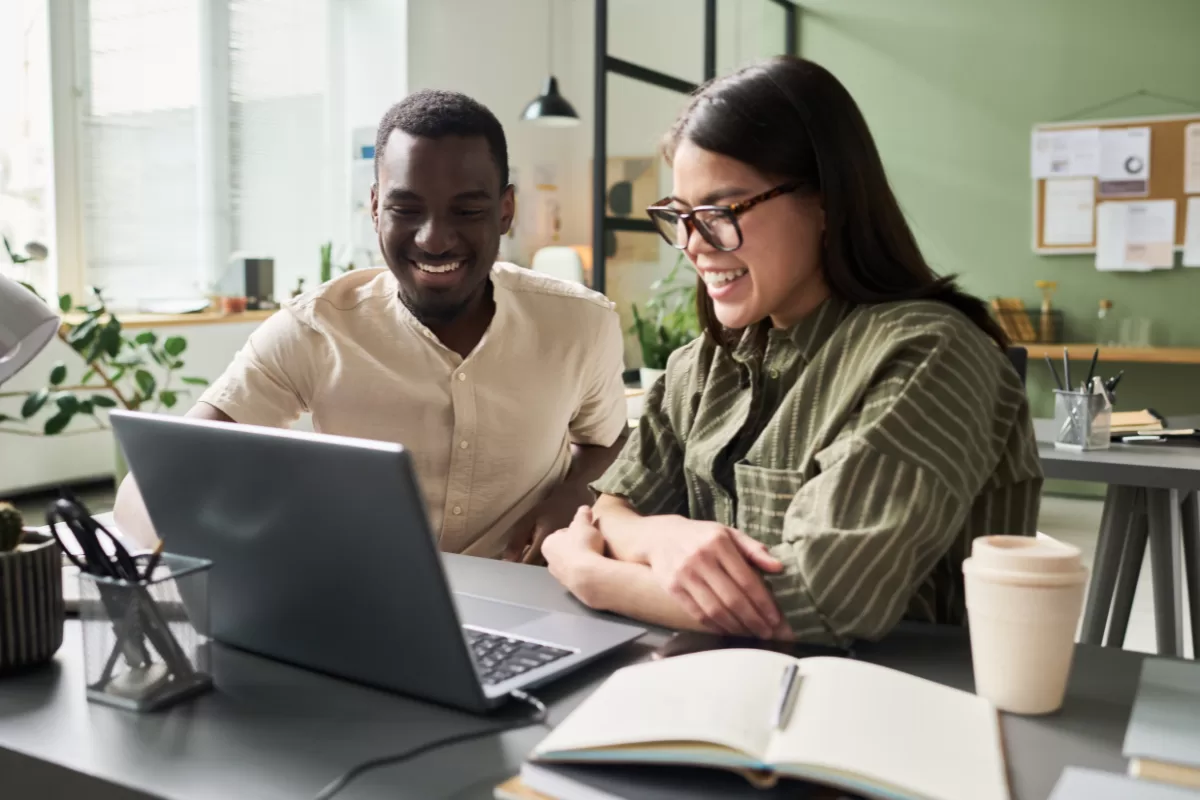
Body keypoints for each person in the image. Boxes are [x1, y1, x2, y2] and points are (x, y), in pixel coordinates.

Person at [541, 57, 1043, 646]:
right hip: (713, 690)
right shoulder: (701, 363)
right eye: (681, 217)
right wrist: (660, 537)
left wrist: (590, 575)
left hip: (889, 707)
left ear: (826, 199)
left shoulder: (930, 353)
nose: (693, 246)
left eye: (721, 212)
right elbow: (606, 509)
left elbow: (823, 601)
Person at [114, 90, 628, 561]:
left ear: (505, 210)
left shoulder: (582, 324)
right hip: (367, 596)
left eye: (467, 210)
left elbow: (606, 438)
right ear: (376, 207)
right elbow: (164, 473)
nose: (434, 239)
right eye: (406, 208)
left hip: (530, 596)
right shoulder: (316, 329)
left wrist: (574, 491)